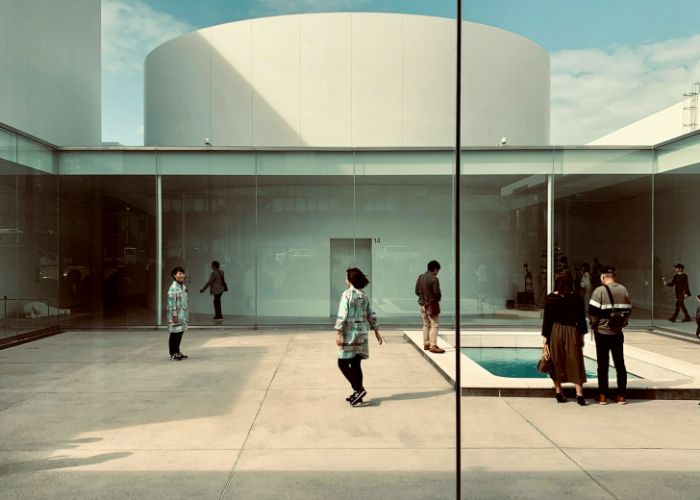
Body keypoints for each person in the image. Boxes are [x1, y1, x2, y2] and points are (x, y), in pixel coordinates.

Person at [334, 267, 383, 407]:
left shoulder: (347, 294)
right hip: (361, 334)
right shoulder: (364, 295)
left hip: (350, 334)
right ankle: (358, 394)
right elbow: (370, 314)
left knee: (342, 363)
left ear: (349, 280)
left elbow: (342, 314)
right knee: (355, 363)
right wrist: (376, 331)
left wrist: (338, 332)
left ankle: (359, 389)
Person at [541, 270, 588, 406]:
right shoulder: (577, 298)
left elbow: (547, 320)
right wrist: (582, 336)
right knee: (576, 361)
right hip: (573, 331)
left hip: (556, 331)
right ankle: (579, 395)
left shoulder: (550, 298)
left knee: (556, 361)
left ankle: (558, 392)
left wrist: (545, 338)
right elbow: (581, 320)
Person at [588, 265, 631, 405]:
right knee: (620, 364)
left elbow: (592, 313)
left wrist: (595, 325)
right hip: (617, 333)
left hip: (602, 333)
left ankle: (602, 396)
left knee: (602, 364)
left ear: (603, 276)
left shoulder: (599, 291)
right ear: (614, 276)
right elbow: (628, 310)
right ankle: (621, 396)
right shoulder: (623, 290)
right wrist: (621, 324)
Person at [415, 260, 445, 353]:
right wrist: (437, 299)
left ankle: (426, 344)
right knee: (434, 325)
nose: (437, 273)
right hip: (431, 304)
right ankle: (433, 345)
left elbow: (416, 291)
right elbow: (437, 293)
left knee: (426, 324)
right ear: (435, 269)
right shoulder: (434, 279)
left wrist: (422, 299)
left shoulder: (420, 277)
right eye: (437, 271)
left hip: (422, 304)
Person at [167, 266, 189, 361]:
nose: (182, 275)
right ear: (174, 275)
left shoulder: (182, 286)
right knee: (174, 334)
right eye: (179, 274)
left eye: (182, 273)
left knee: (180, 333)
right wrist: (174, 315)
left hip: (182, 314)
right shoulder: (173, 288)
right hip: (176, 315)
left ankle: (177, 351)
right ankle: (173, 353)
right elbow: (171, 303)